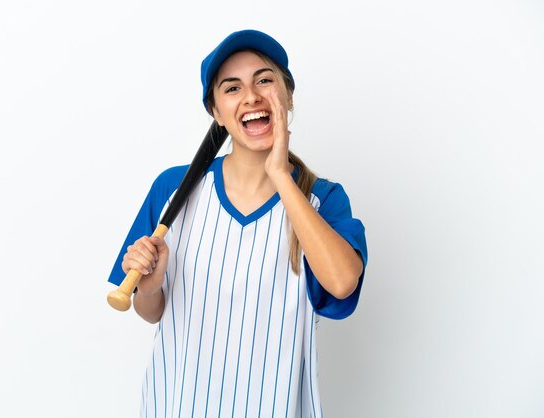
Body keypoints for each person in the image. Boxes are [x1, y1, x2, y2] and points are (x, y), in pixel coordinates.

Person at [108, 29, 368, 418]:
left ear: (287, 97)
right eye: (232, 88)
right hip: (175, 405)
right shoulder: (172, 189)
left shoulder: (322, 200)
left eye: (265, 80)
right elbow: (151, 311)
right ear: (216, 111)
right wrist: (148, 287)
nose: (251, 96)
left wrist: (280, 174)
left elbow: (343, 282)